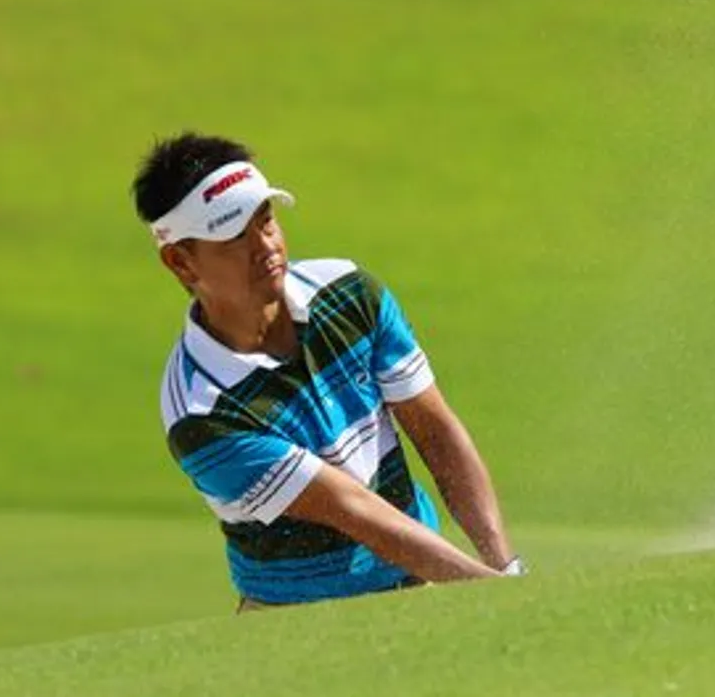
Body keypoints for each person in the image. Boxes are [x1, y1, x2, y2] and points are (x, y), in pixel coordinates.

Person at [133, 132, 523, 611]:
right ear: (180, 261)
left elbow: (435, 431)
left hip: (418, 582)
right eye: (234, 236)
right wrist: (491, 594)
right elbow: (355, 511)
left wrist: (505, 568)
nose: (266, 245)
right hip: (292, 620)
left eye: (266, 220)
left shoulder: (350, 295)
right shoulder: (201, 411)